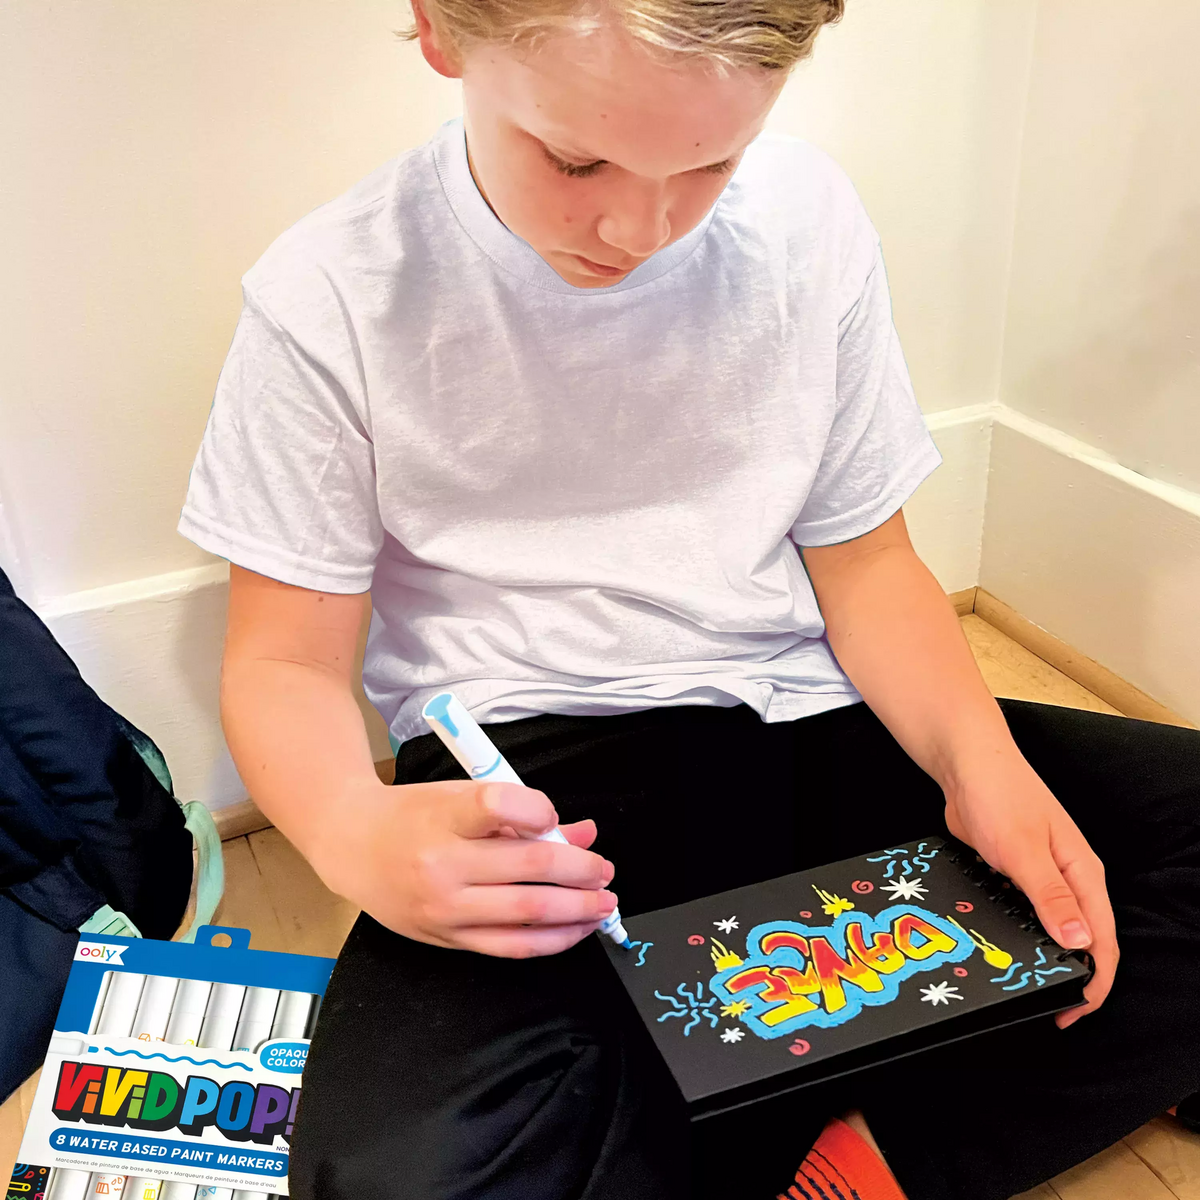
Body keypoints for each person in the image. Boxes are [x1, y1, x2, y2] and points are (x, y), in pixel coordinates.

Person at [178, 2, 1200, 1197]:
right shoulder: (333, 290)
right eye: (575, 160)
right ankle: (921, 1068)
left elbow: (866, 565)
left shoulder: (810, 218)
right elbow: (283, 663)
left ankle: (885, 1150)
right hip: (549, 798)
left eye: (712, 163)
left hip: (819, 722)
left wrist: (983, 764)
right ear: (442, 33)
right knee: (404, 1173)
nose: (641, 227)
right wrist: (350, 830)